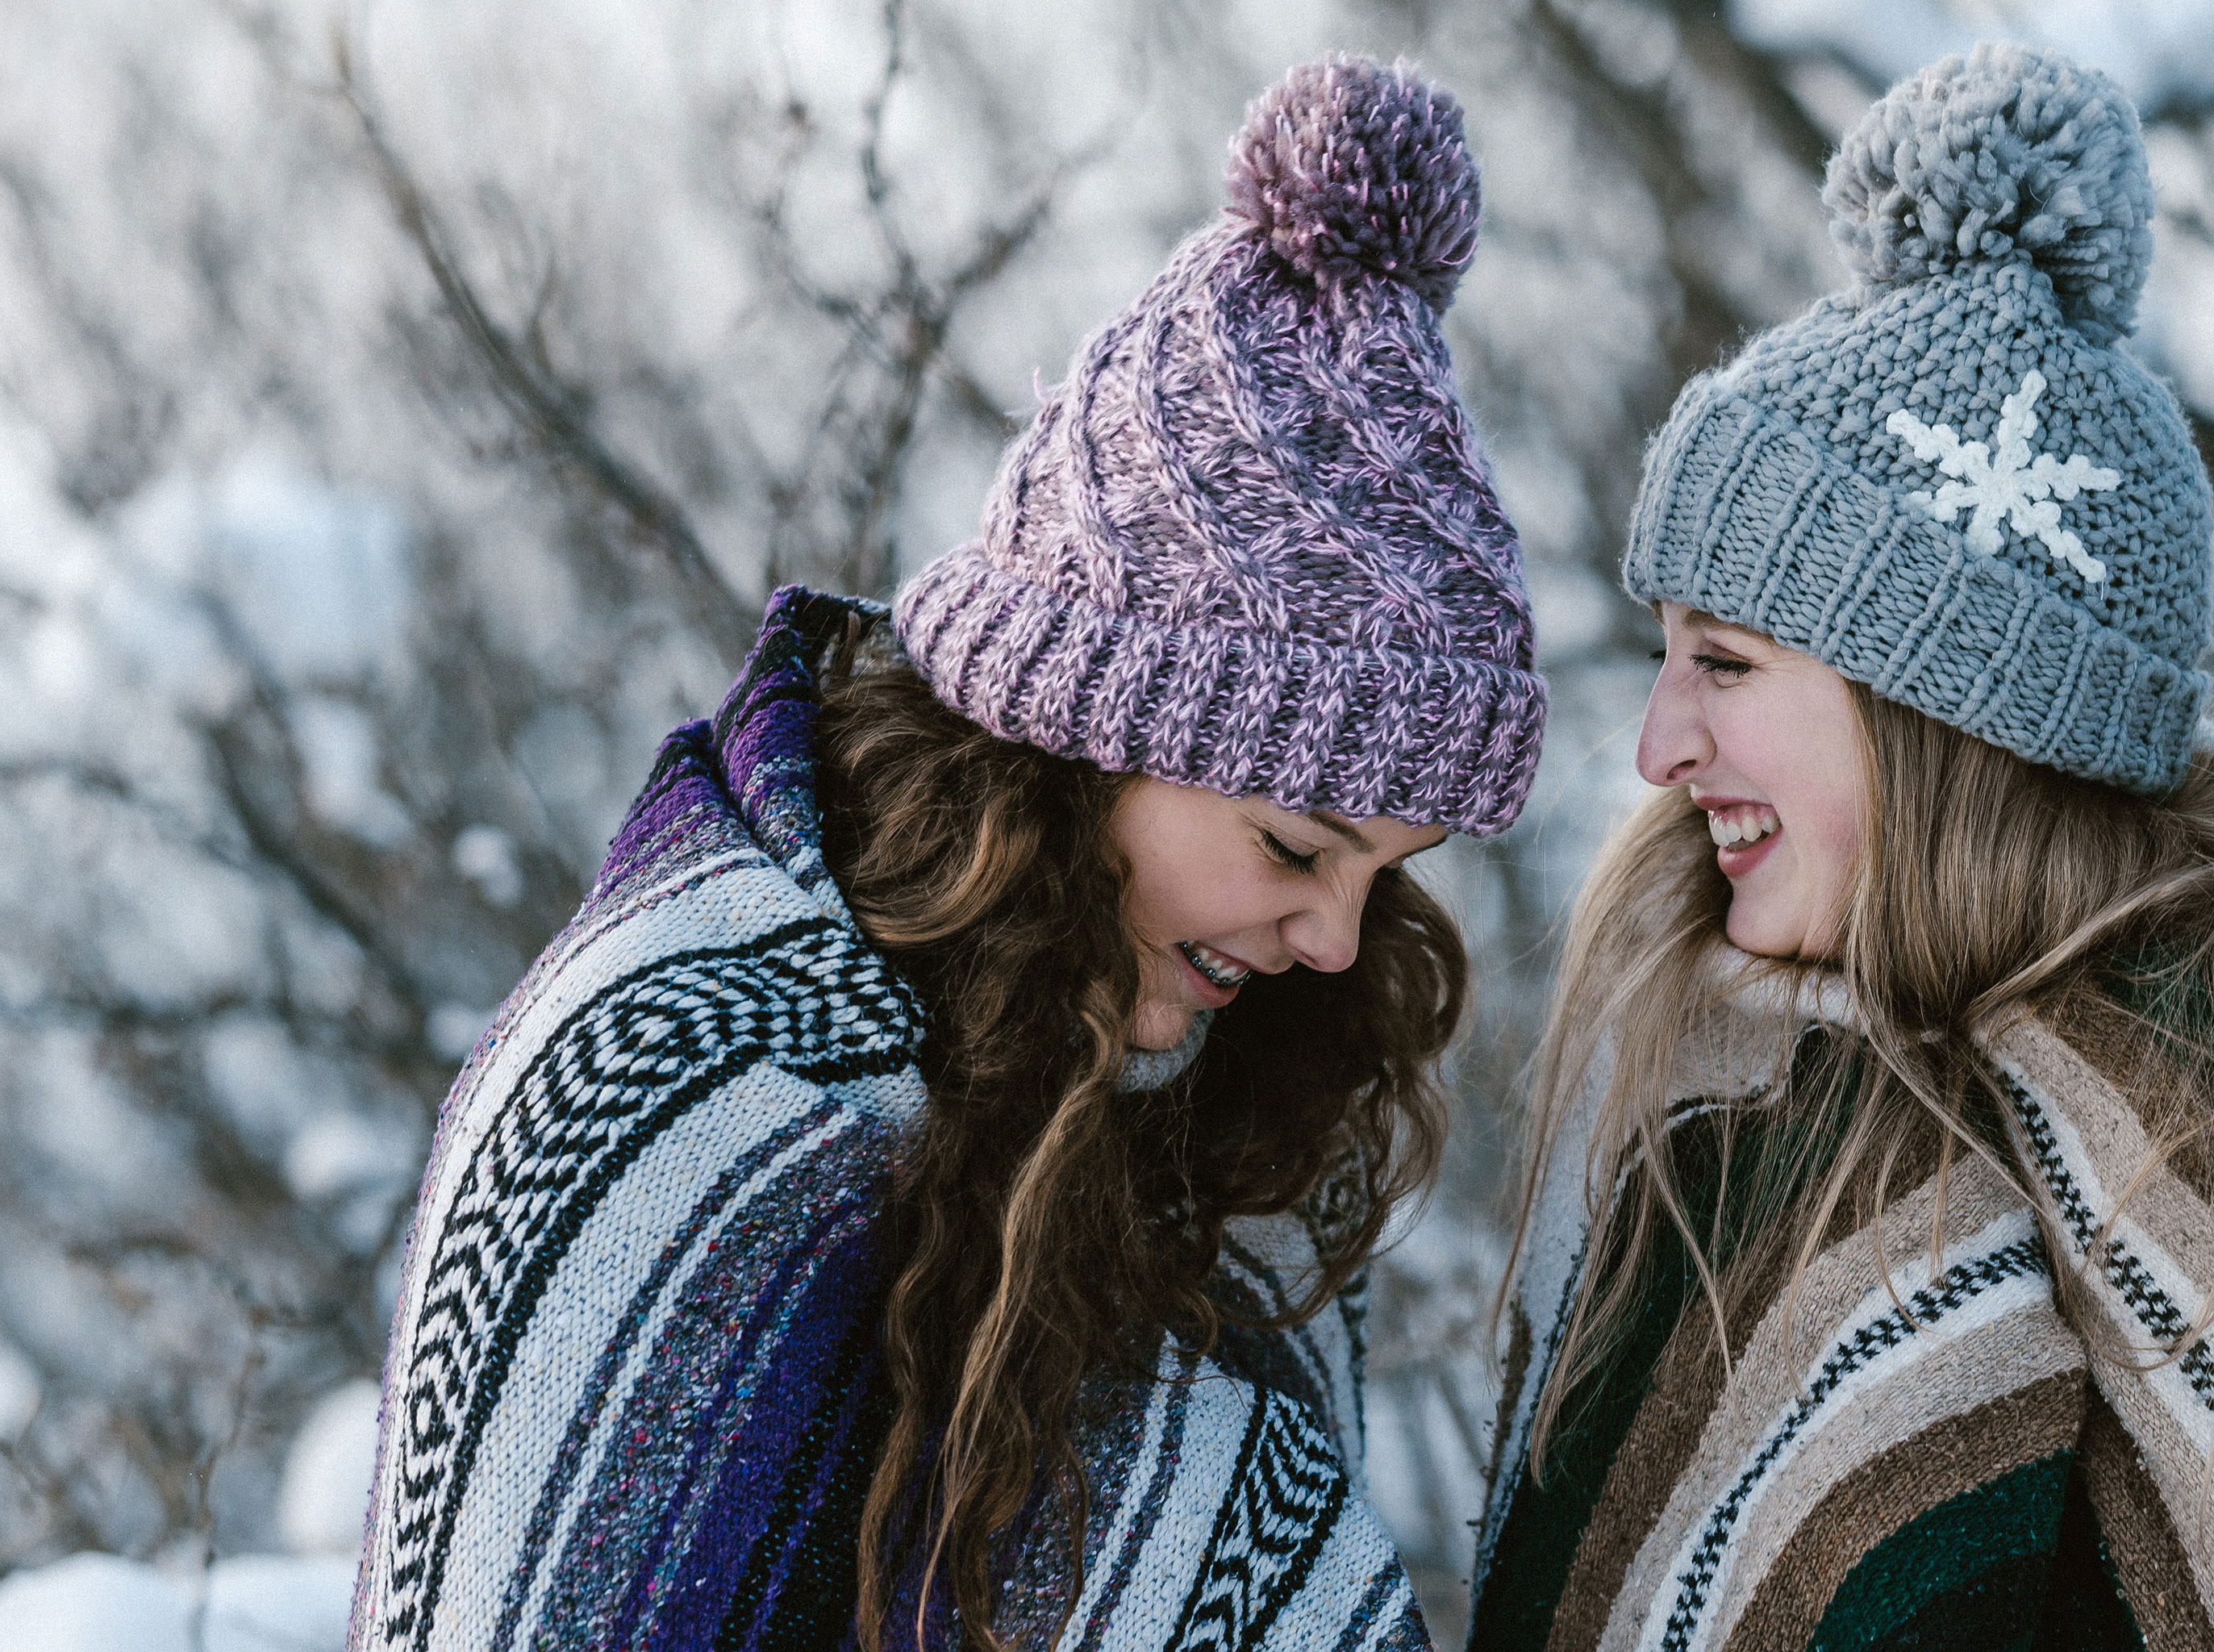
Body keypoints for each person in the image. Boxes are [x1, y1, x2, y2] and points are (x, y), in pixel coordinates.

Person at [352, 56, 1548, 1652]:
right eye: (1295, 845)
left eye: (1380, 876)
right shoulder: (670, 1094)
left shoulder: (1226, 1115)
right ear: (1081, 743)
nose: (1333, 938)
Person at [1470, 44, 2214, 1651]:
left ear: (1944, 715)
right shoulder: (1714, 1113)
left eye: (1728, 663)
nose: (1658, 744)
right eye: (1664, 655)